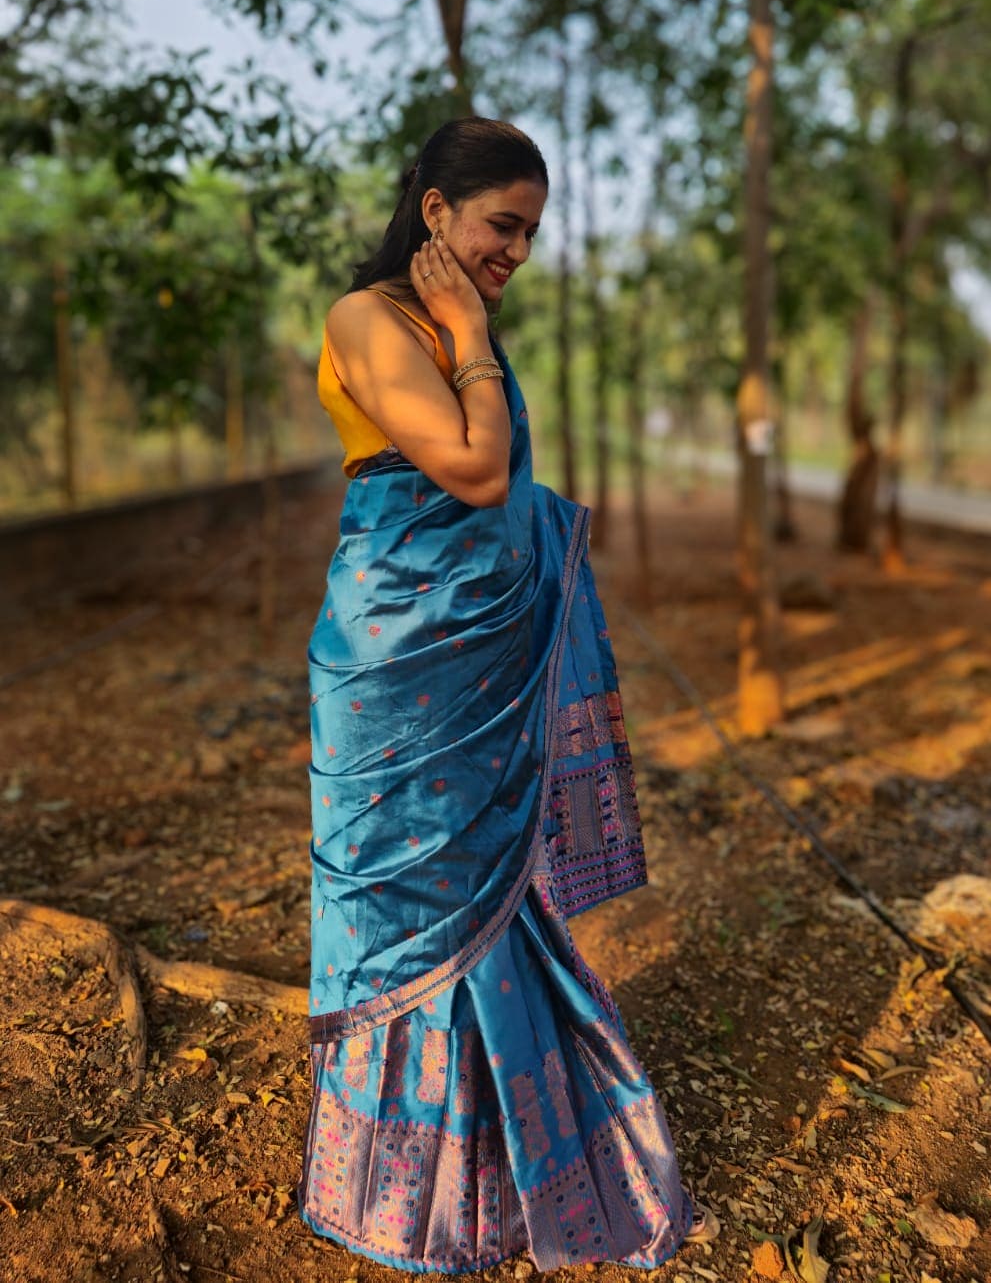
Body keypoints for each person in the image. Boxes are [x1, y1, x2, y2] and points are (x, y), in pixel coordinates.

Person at [299, 116, 718, 1273]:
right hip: (394, 671)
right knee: (399, 914)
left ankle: (498, 1174)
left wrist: (473, 334)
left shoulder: (451, 328)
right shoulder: (368, 320)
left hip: (478, 667)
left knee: (490, 900)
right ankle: (401, 1192)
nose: (517, 252)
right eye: (502, 225)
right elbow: (476, 470)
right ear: (435, 210)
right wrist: (473, 335)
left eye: (531, 233)